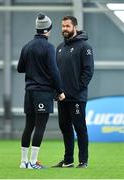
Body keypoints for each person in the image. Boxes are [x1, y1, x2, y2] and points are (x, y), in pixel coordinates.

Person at [17, 13, 65, 169]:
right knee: (40, 126)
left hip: (29, 91)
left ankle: (23, 162)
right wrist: (60, 90)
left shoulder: (27, 46)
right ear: (48, 29)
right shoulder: (49, 47)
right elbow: (54, 71)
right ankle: (32, 162)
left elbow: (20, 68)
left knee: (28, 126)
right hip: (43, 92)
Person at [52, 16, 94, 168]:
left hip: (77, 97)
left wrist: (77, 89)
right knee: (65, 128)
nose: (64, 29)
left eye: (67, 26)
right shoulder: (59, 48)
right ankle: (68, 160)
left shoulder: (85, 47)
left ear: (74, 27)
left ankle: (83, 161)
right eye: (63, 26)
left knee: (80, 128)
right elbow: (55, 72)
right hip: (62, 97)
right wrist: (57, 91)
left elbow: (88, 71)